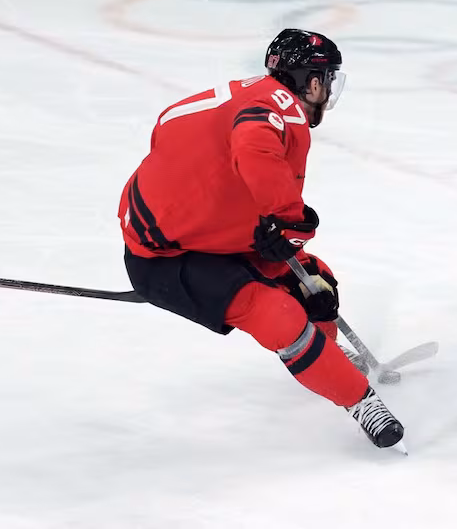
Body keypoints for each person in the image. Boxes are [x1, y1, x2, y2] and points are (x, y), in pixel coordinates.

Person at [117, 29, 404, 451]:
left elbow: (174, 139)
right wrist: (289, 221)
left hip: (200, 237)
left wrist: (281, 237)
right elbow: (254, 148)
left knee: (314, 281)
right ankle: (361, 403)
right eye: (326, 79)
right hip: (164, 259)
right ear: (311, 82)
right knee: (278, 314)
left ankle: (327, 363)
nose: (326, 91)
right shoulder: (281, 109)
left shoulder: (245, 92)